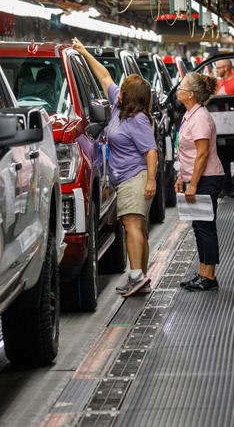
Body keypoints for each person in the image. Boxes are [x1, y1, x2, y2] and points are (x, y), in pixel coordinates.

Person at [73, 37, 158, 297]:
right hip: (129, 179)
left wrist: (151, 181)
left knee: (132, 226)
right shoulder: (119, 108)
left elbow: (151, 151)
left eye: (123, 89)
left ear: (130, 95)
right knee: (138, 228)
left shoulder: (138, 119)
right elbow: (105, 76)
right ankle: (141, 278)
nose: (117, 90)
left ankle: (135, 276)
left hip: (136, 177)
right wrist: (85, 51)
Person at [174, 72, 225, 291]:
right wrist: (181, 177)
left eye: (181, 88)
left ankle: (210, 277)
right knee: (198, 226)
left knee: (205, 227)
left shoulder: (201, 118)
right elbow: (187, 152)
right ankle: (203, 272)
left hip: (206, 178)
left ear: (191, 95)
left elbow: (202, 154)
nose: (178, 90)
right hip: (196, 177)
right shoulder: (190, 115)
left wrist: (193, 184)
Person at [214, 59, 234, 199]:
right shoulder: (219, 83)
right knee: (223, 157)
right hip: (221, 125)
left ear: (226, 68)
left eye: (218, 67)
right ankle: (226, 187)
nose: (216, 70)